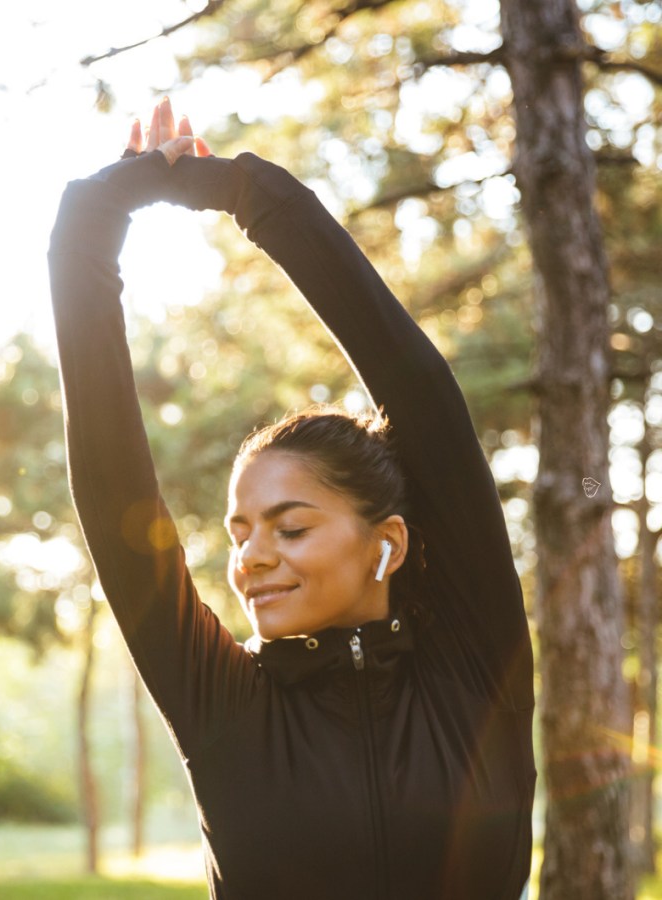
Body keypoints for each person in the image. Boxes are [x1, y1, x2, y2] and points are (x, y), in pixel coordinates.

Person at [47, 98, 536, 899]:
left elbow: (423, 399)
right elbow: (111, 479)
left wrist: (250, 194)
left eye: (290, 526)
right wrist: (91, 222)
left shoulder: (473, 671)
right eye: (240, 534)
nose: (251, 561)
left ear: (390, 543)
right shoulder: (223, 703)